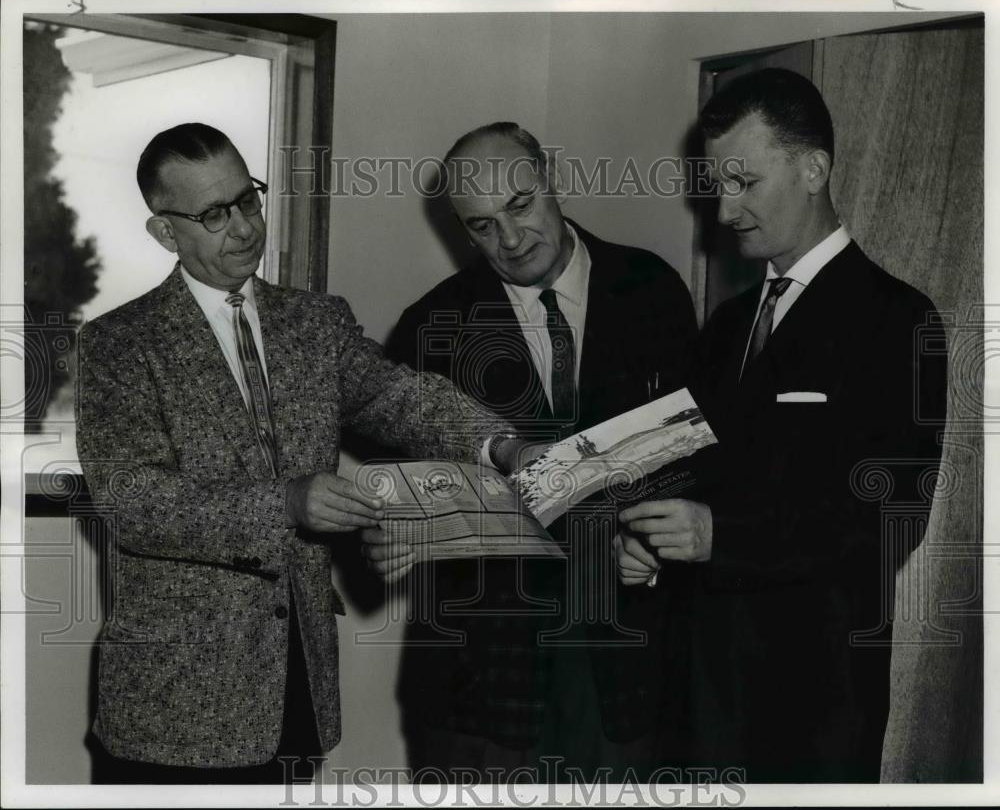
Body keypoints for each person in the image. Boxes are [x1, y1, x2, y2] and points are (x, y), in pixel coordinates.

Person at [75, 123, 528, 784]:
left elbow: (403, 397)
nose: (243, 227)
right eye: (212, 214)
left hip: (297, 692)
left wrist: (503, 444)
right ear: (166, 233)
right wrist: (285, 501)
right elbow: (136, 502)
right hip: (173, 715)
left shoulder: (315, 324)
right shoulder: (116, 345)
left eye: (247, 199)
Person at [615, 69, 948, 782]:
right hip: (694, 706)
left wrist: (718, 536)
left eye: (744, 183)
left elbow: (890, 513)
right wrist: (641, 542)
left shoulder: (898, 319)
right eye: (717, 187)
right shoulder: (725, 327)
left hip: (808, 706)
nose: (726, 211)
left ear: (814, 167)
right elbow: (684, 470)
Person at [363, 122, 699, 781]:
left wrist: (654, 548)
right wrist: (391, 524)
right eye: (482, 226)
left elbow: (690, 458)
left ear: (552, 181)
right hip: (481, 682)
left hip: (625, 668)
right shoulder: (431, 326)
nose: (510, 240)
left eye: (519, 206)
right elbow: (402, 495)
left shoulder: (652, 288)